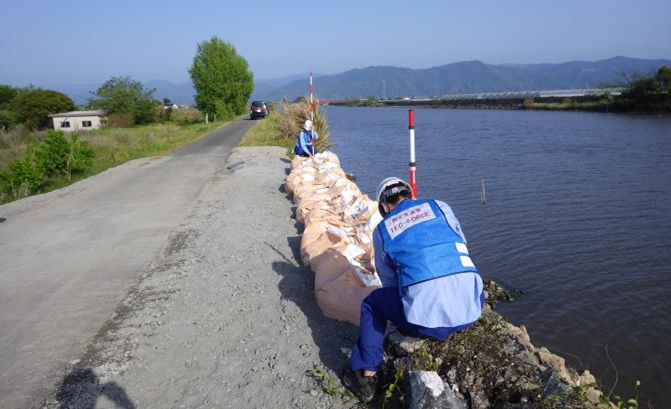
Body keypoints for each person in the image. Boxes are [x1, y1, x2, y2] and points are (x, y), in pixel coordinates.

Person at [342, 177, 484, 402]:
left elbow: (389, 280)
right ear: (410, 195)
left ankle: (365, 376)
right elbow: (461, 244)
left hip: (427, 323)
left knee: (372, 304)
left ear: (383, 207)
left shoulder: (383, 229)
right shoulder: (441, 206)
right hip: (472, 307)